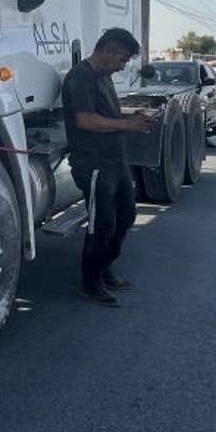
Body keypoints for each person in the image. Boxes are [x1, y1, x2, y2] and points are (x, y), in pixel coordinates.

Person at [60, 28, 156, 307]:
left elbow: (107, 116)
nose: (122, 66)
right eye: (122, 60)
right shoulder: (80, 77)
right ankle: (90, 284)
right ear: (108, 51)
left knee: (126, 216)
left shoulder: (104, 77)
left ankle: (104, 268)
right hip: (93, 164)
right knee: (102, 226)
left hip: (116, 160)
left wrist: (133, 117)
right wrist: (128, 125)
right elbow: (85, 120)